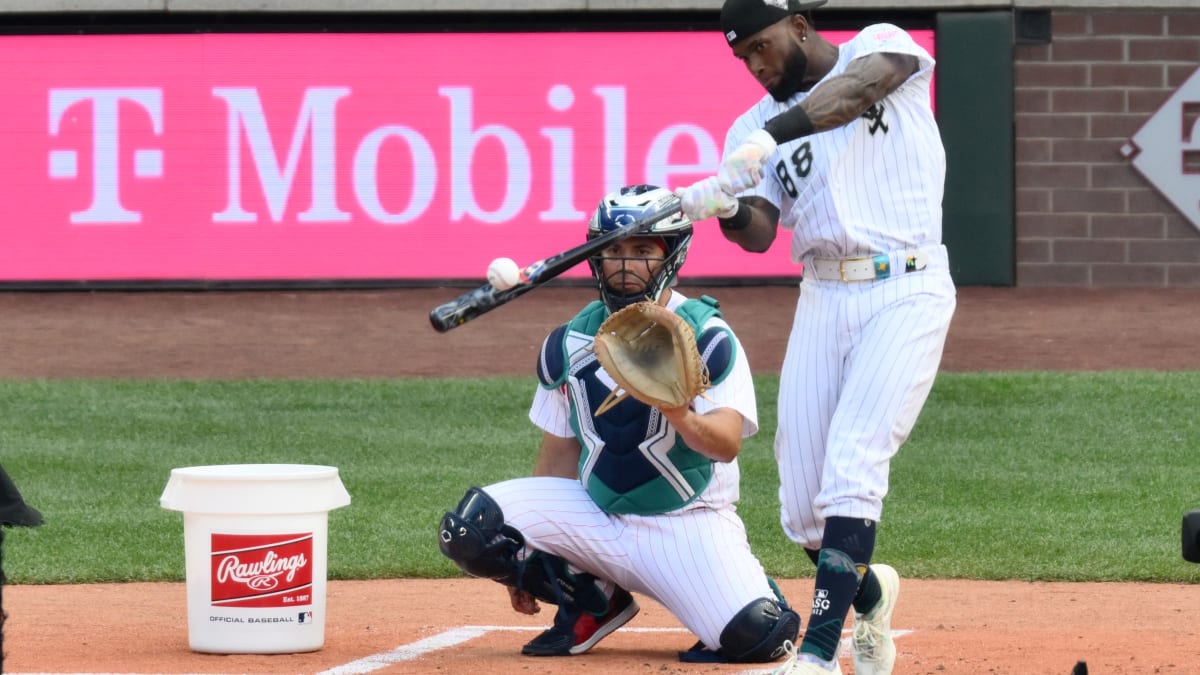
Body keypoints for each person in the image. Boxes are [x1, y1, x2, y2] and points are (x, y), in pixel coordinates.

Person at [674, 2, 957, 674]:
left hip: (908, 285)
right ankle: (870, 589)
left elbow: (856, 91)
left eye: (762, 46)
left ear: (799, 25)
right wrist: (722, 205)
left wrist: (771, 137)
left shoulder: (878, 46)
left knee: (853, 468)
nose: (755, 64)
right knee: (803, 512)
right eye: (742, 57)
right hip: (825, 292)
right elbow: (760, 232)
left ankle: (821, 654)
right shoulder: (749, 127)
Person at [438, 184, 799, 664]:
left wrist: (675, 408)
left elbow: (727, 444)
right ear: (596, 257)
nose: (625, 264)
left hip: (685, 527)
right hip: (597, 518)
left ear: (671, 255)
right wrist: (530, 556)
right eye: (614, 250)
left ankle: (742, 590)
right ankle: (595, 602)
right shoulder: (566, 343)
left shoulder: (706, 336)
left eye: (642, 250)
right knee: (471, 528)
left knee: (760, 636)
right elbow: (558, 455)